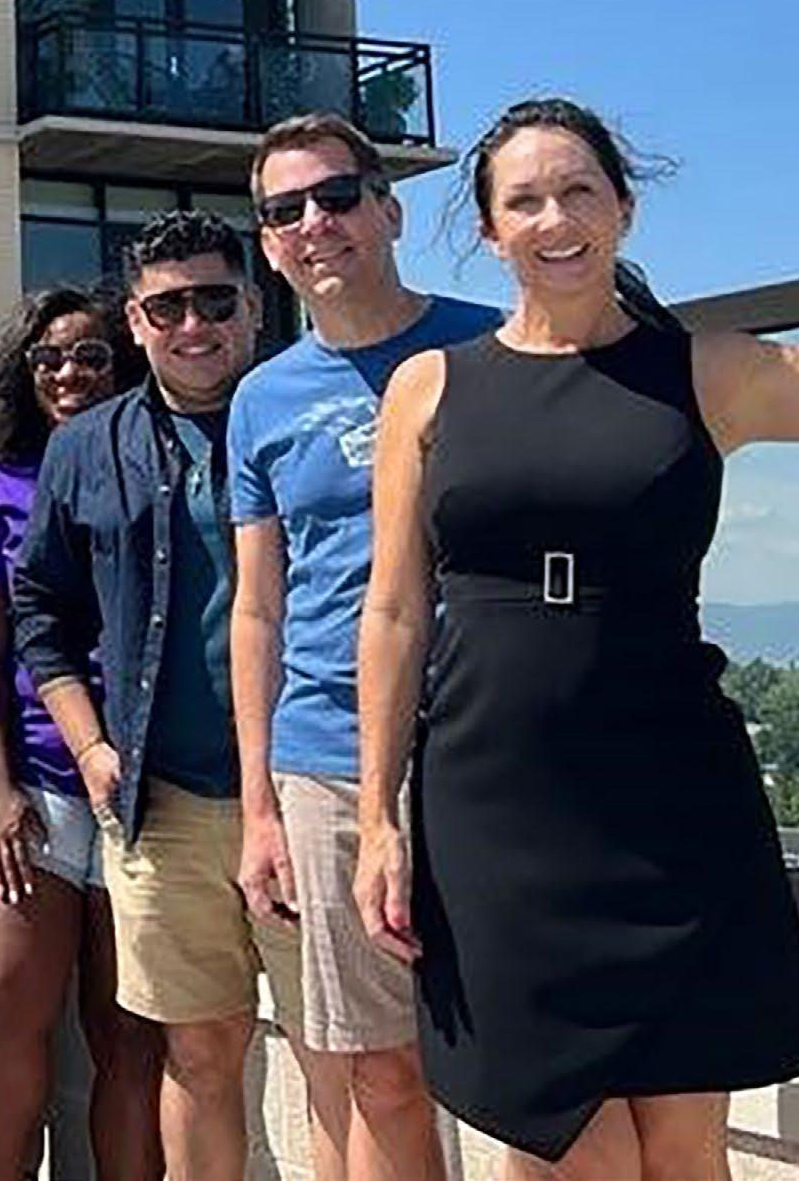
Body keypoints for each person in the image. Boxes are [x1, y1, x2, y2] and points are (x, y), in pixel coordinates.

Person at [355, 97, 799, 1181]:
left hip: (674, 798)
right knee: (567, 1150)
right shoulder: (430, 385)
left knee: (684, 1144)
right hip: (496, 805)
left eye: (578, 191)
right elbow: (395, 610)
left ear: (623, 208)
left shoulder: (712, 371)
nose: (554, 218)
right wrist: (375, 818)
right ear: (488, 228)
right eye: (524, 200)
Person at [229, 114, 497, 1181]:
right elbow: (258, 610)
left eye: (336, 196)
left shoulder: (489, 346)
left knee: (526, 1064)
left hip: (488, 745)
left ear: (388, 210)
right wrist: (259, 807)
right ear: (268, 245)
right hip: (329, 761)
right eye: (284, 210)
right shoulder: (262, 397)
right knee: (380, 1071)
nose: (314, 223)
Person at [13, 208, 301, 1181]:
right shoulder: (85, 447)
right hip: (161, 800)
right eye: (167, 307)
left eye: (214, 301)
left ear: (253, 306)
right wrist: (89, 745)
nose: (192, 325)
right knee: (198, 1053)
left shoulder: (304, 417)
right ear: (134, 322)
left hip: (308, 790)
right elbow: (39, 607)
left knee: (351, 1059)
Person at [0, 287, 161, 1181]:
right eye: (48, 358)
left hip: (147, 790)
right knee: (2, 1009)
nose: (68, 373)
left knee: (129, 1035)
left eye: (89, 356)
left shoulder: (156, 468)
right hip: (31, 784)